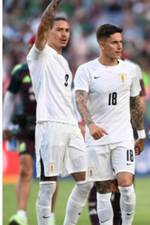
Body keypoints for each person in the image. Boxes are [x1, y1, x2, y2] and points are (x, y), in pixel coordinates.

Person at [26, 1, 92, 225]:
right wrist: (54, 3)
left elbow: (68, 97)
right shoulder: (40, 55)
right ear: (48, 33)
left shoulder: (64, 62)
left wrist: (80, 122)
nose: (64, 34)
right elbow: (43, 25)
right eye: (59, 30)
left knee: (86, 182)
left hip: (70, 125)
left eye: (67, 30)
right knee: (48, 185)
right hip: (49, 125)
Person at [74, 24, 145, 225]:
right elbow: (80, 99)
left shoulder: (130, 70)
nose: (119, 46)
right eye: (114, 42)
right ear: (102, 44)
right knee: (103, 191)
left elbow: (135, 103)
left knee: (126, 184)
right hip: (97, 139)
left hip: (122, 137)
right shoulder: (86, 70)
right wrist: (90, 125)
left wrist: (140, 133)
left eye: (121, 42)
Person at [3, 36, 57, 225]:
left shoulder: (55, 69)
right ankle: (21, 214)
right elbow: (9, 99)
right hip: (26, 128)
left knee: (50, 173)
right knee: (25, 168)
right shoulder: (20, 71)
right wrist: (4, 126)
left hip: (50, 127)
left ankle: (49, 215)